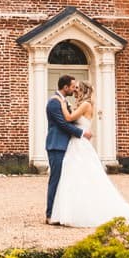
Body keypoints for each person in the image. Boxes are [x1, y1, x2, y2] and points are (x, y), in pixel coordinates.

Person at [48, 79, 129, 228]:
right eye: (73, 88)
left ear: (83, 90)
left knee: (82, 176)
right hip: (76, 143)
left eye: (77, 88)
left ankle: (80, 211)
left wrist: (63, 103)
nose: (75, 90)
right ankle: (71, 209)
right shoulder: (83, 104)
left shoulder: (85, 105)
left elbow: (68, 119)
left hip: (79, 144)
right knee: (74, 177)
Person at [43, 73, 84, 222]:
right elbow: (62, 124)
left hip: (66, 144)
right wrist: (82, 133)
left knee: (65, 180)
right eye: (72, 87)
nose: (74, 89)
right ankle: (49, 214)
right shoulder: (54, 102)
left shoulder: (64, 101)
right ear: (65, 87)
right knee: (56, 179)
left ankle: (61, 212)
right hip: (56, 145)